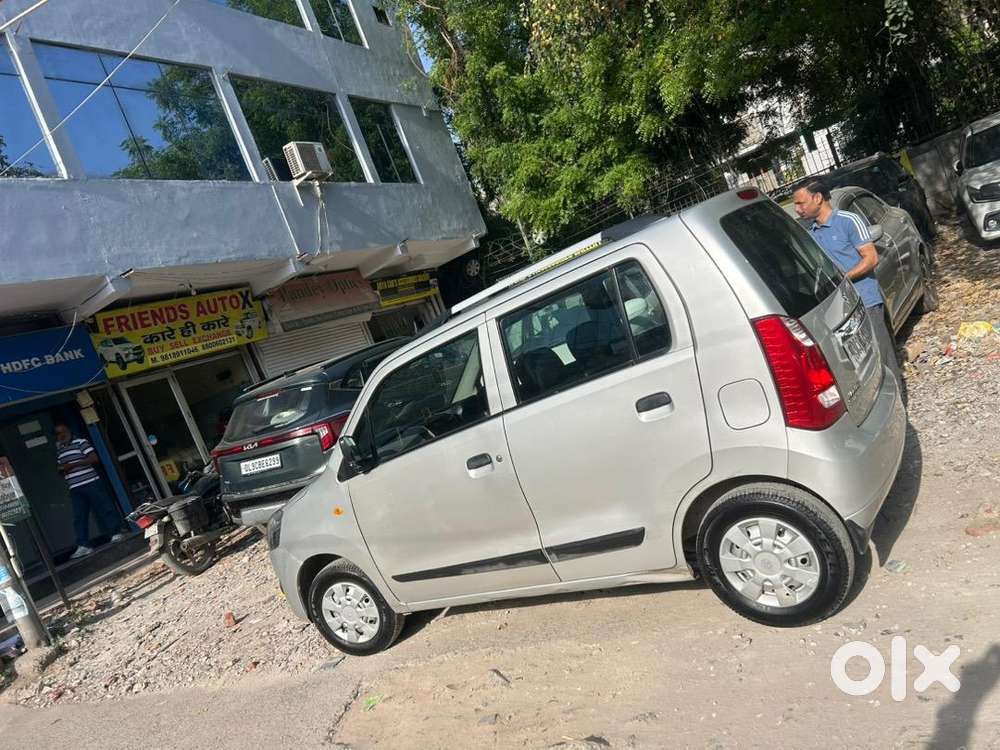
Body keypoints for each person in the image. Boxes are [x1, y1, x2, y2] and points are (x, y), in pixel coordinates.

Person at [792, 180, 901, 379]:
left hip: (865, 302)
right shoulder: (811, 233)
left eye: (801, 203)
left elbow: (871, 258)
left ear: (818, 198)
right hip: (839, 310)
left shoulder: (848, 221)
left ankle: (897, 394)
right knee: (862, 362)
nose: (797, 209)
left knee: (883, 355)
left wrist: (843, 279)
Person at [54, 423, 127, 559]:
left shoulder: (80, 442)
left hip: (91, 482)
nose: (61, 435)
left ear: (68, 431)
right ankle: (83, 545)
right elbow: (60, 468)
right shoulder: (59, 449)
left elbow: (94, 458)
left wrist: (73, 464)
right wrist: (62, 469)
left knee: (104, 508)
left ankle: (116, 533)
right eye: (58, 433)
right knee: (79, 516)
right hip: (75, 487)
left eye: (63, 431)